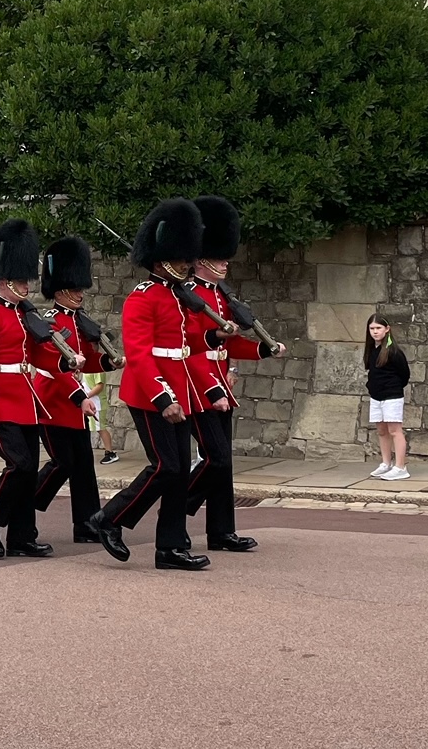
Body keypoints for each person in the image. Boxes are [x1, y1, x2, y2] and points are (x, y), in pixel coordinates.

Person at [84, 198, 211, 571]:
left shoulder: (179, 295)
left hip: (181, 391)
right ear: (162, 260)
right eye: (183, 258)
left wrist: (216, 337)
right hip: (150, 394)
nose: (189, 264)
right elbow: (140, 354)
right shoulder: (142, 297)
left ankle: (169, 548)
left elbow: (187, 345)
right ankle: (109, 518)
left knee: (179, 473)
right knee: (165, 467)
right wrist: (163, 397)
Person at [182, 196, 283, 554]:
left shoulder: (219, 295)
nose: (225, 262)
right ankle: (177, 508)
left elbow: (226, 346)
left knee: (224, 465)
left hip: (221, 381)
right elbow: (192, 348)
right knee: (216, 458)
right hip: (197, 385)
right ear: (202, 259)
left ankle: (221, 531)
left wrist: (262, 349)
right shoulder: (190, 295)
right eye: (219, 257)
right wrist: (213, 389)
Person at [0, 218, 53, 560]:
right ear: (4, 281)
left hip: (25, 399)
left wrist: (66, 361)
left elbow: (34, 355)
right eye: (20, 280)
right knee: (18, 464)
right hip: (1, 401)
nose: (26, 285)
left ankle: (22, 536)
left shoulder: (24, 315)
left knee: (29, 468)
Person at [31, 236, 112, 542]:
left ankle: (87, 523)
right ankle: (22, 505)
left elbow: (84, 363)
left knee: (83, 467)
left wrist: (108, 362)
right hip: (54, 401)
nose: (80, 293)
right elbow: (54, 365)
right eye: (75, 288)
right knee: (62, 463)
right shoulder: (49, 322)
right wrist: (80, 398)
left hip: (74, 405)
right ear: (60, 290)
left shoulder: (79, 322)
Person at [364, 313, 412, 480]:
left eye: (378, 328)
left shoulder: (393, 351)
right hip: (376, 396)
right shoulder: (372, 350)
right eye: (372, 328)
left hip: (392, 395)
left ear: (387, 329)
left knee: (394, 430)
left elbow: (404, 374)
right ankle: (386, 463)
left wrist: (393, 388)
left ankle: (400, 467)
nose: (375, 332)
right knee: (382, 431)